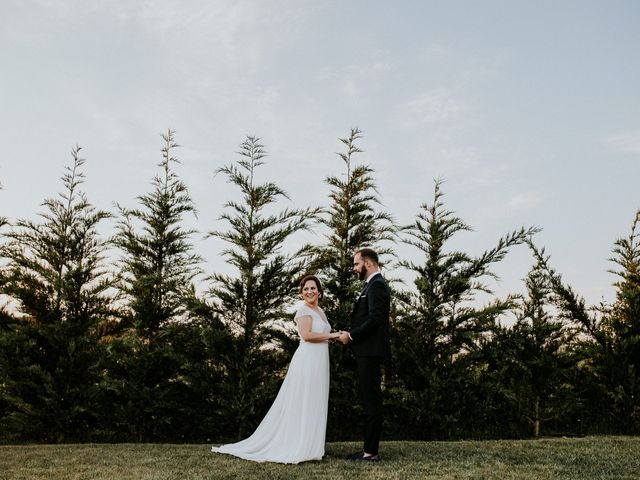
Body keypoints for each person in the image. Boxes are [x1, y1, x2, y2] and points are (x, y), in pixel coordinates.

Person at [211, 275, 341, 464]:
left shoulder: (320, 311)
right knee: (303, 400)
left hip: (320, 361)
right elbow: (307, 335)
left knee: (315, 399)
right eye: (305, 289)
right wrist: (336, 335)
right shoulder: (303, 310)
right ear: (301, 293)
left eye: (313, 288)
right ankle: (299, 445)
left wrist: (337, 336)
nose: (309, 292)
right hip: (307, 361)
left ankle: (313, 446)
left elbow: (322, 335)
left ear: (319, 292)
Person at [339, 247, 391, 462]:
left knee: (371, 401)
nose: (354, 269)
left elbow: (375, 319)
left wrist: (351, 336)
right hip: (365, 352)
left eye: (356, 264)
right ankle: (368, 450)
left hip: (370, 353)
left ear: (368, 263)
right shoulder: (370, 286)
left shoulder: (377, 285)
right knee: (369, 400)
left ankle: (370, 453)